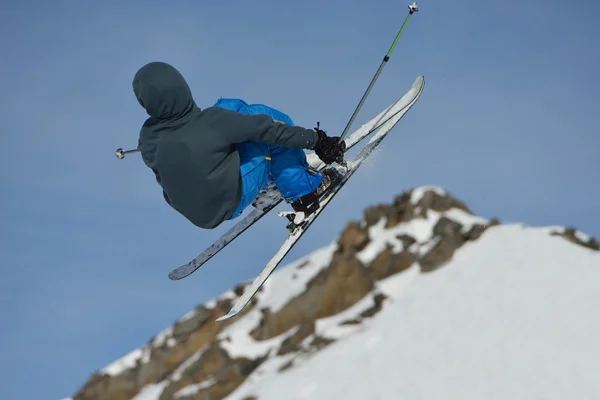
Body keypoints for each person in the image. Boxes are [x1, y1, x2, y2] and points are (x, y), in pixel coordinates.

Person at [133, 61, 346, 229]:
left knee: (233, 109)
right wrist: (318, 141)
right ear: (181, 88)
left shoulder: (148, 139)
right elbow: (271, 131)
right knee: (265, 125)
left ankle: (265, 183)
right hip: (230, 200)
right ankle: (305, 192)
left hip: (197, 213)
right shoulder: (213, 123)